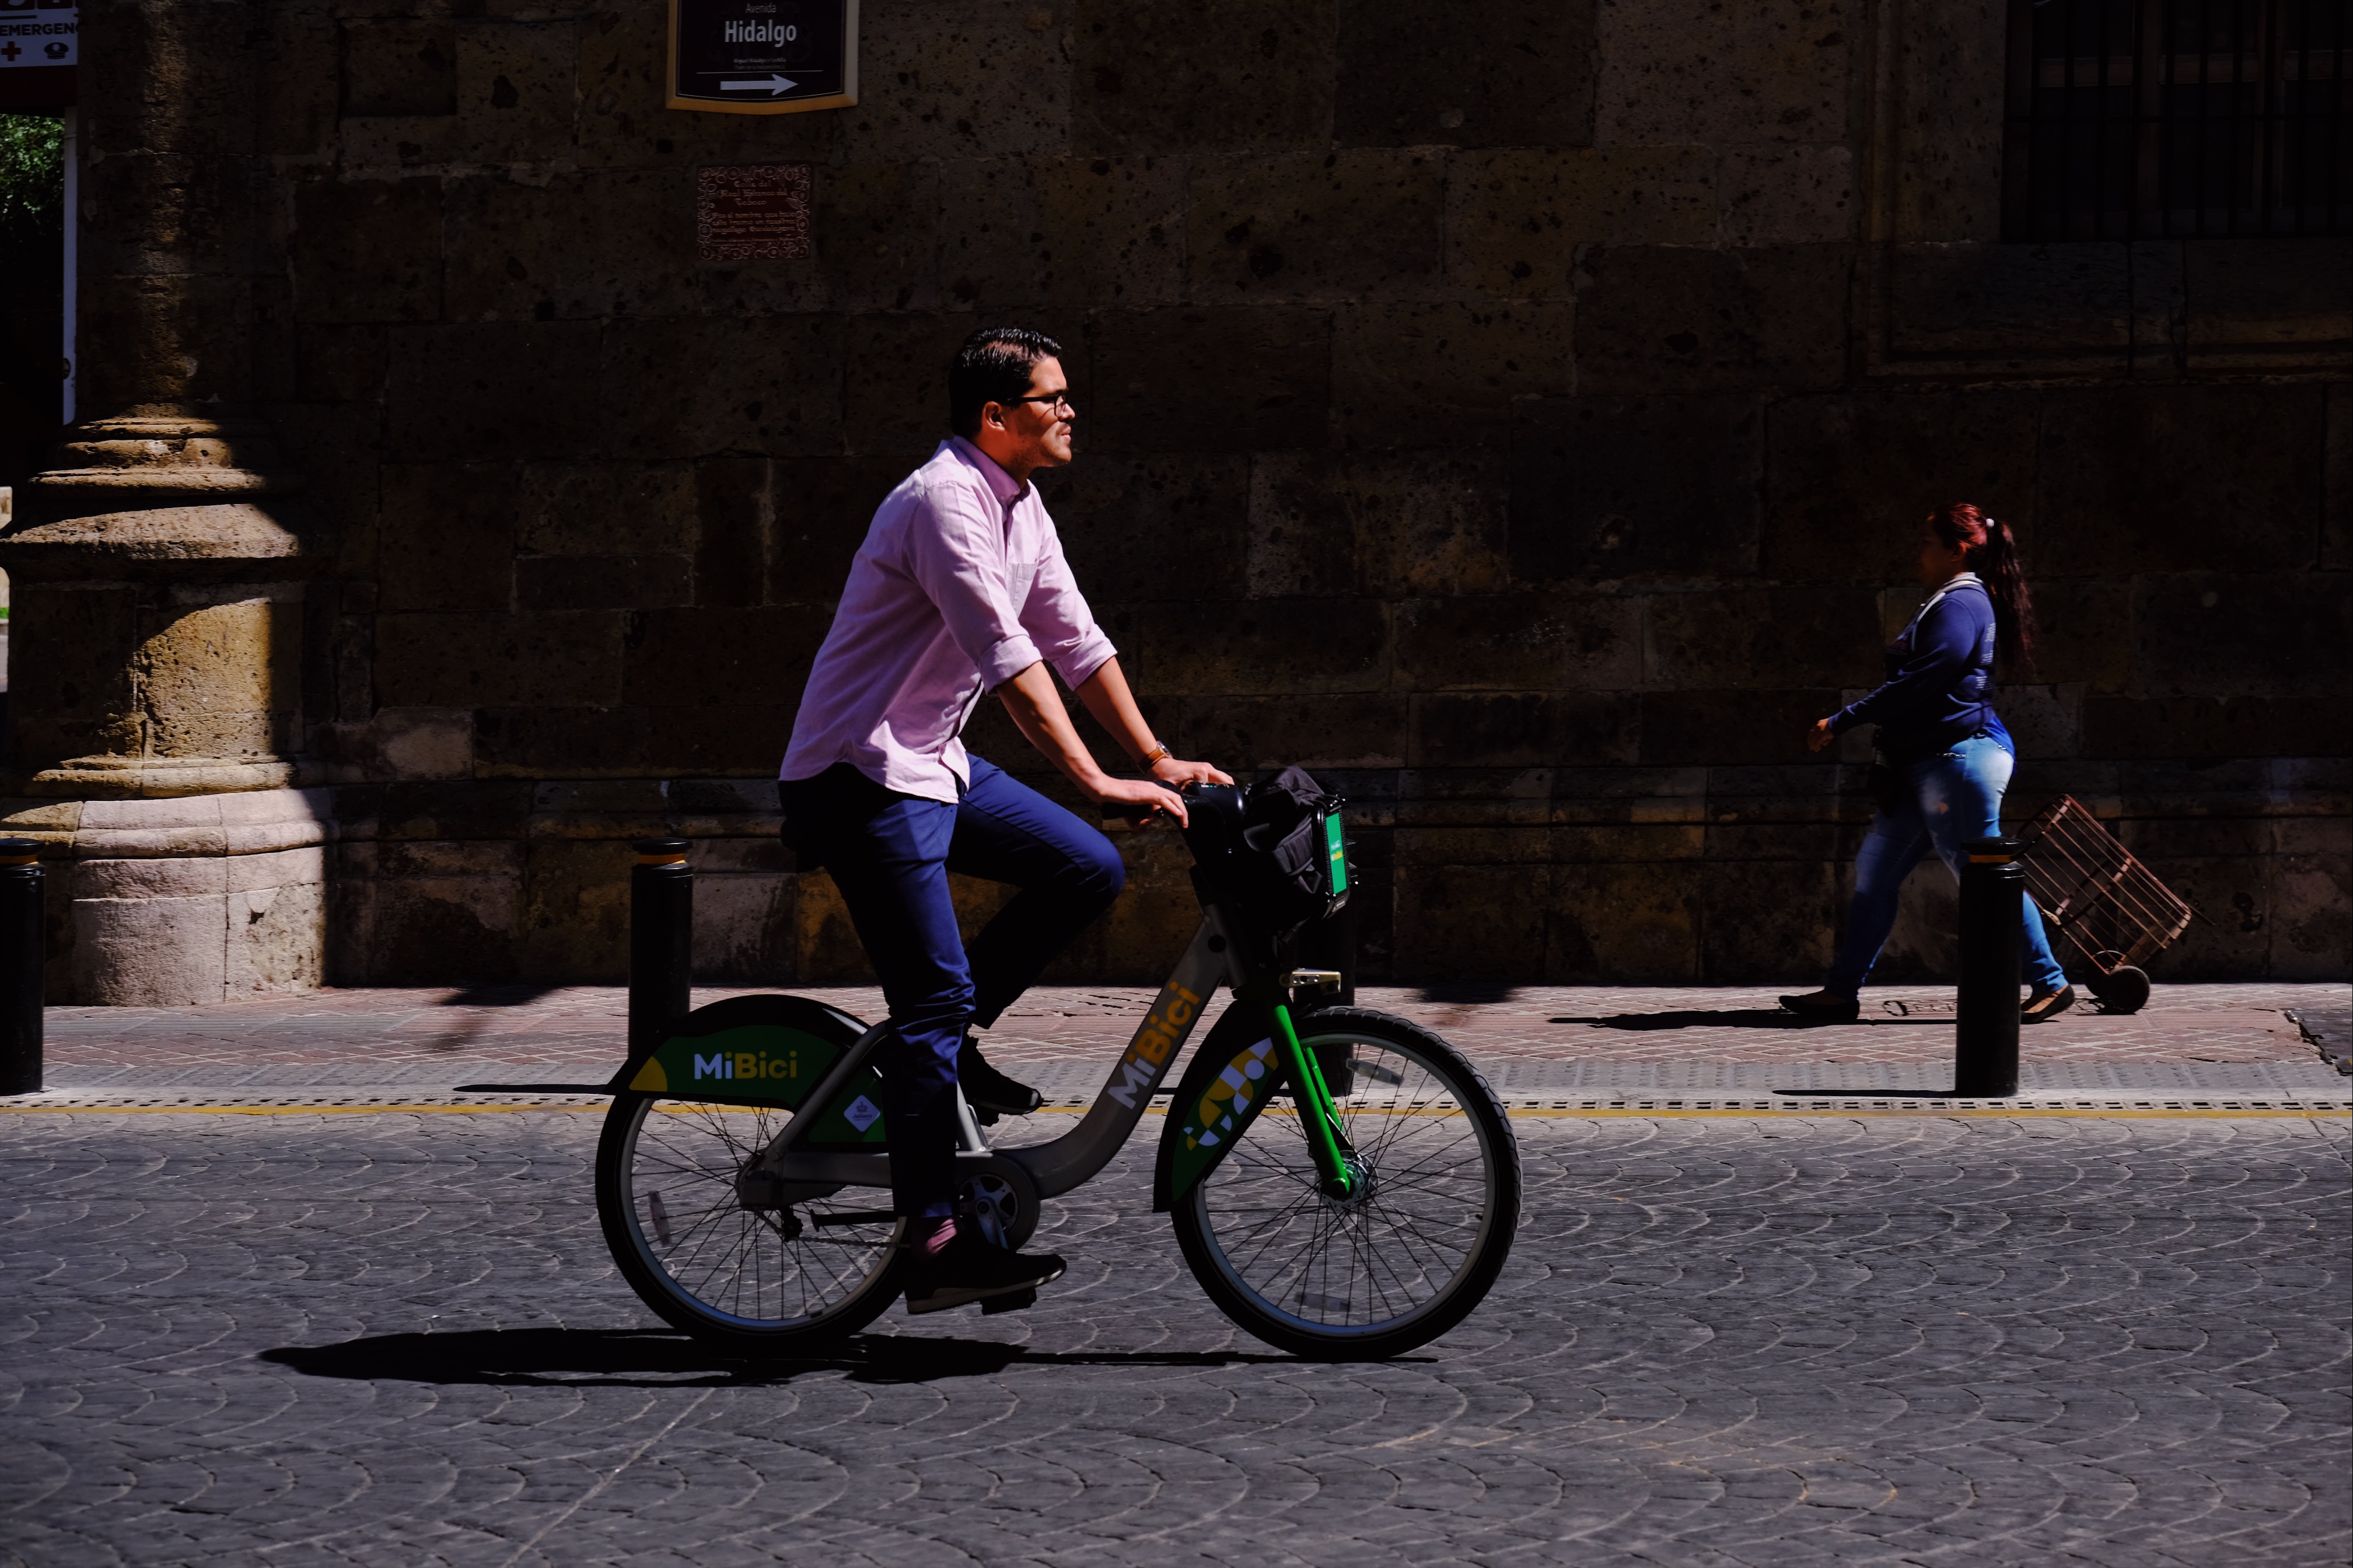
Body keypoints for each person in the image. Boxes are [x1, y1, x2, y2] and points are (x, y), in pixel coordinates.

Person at [778, 327, 1232, 1315]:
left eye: (1068, 396)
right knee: (931, 1000)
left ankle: (947, 1051)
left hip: (932, 760)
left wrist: (1152, 758)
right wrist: (1093, 778)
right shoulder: (942, 503)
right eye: (1050, 398)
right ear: (995, 416)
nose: (1069, 412)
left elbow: (1073, 639)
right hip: (859, 775)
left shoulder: (1018, 506)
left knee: (1085, 869)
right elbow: (1008, 661)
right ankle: (932, 1236)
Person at [1781, 503, 2074, 1025]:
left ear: (1956, 549)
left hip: (1957, 759)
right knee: (1875, 873)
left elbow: (1922, 680)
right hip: (1926, 763)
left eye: (1925, 542)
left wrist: (1841, 720)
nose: (1917, 552)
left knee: (1983, 876)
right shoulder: (1949, 601)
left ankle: (2049, 981)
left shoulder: (1960, 603)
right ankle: (1841, 992)